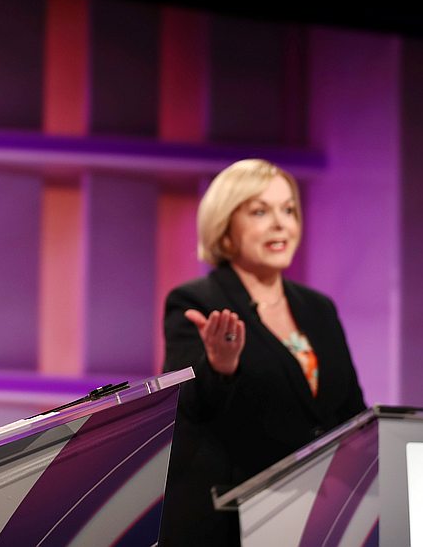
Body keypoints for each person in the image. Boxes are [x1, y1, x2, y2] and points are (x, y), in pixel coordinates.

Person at [157, 158, 366, 547]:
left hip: (315, 518)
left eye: (289, 210)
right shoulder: (197, 302)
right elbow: (186, 409)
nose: (280, 224)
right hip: (229, 524)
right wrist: (219, 367)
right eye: (260, 212)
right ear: (226, 228)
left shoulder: (318, 308)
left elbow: (351, 414)